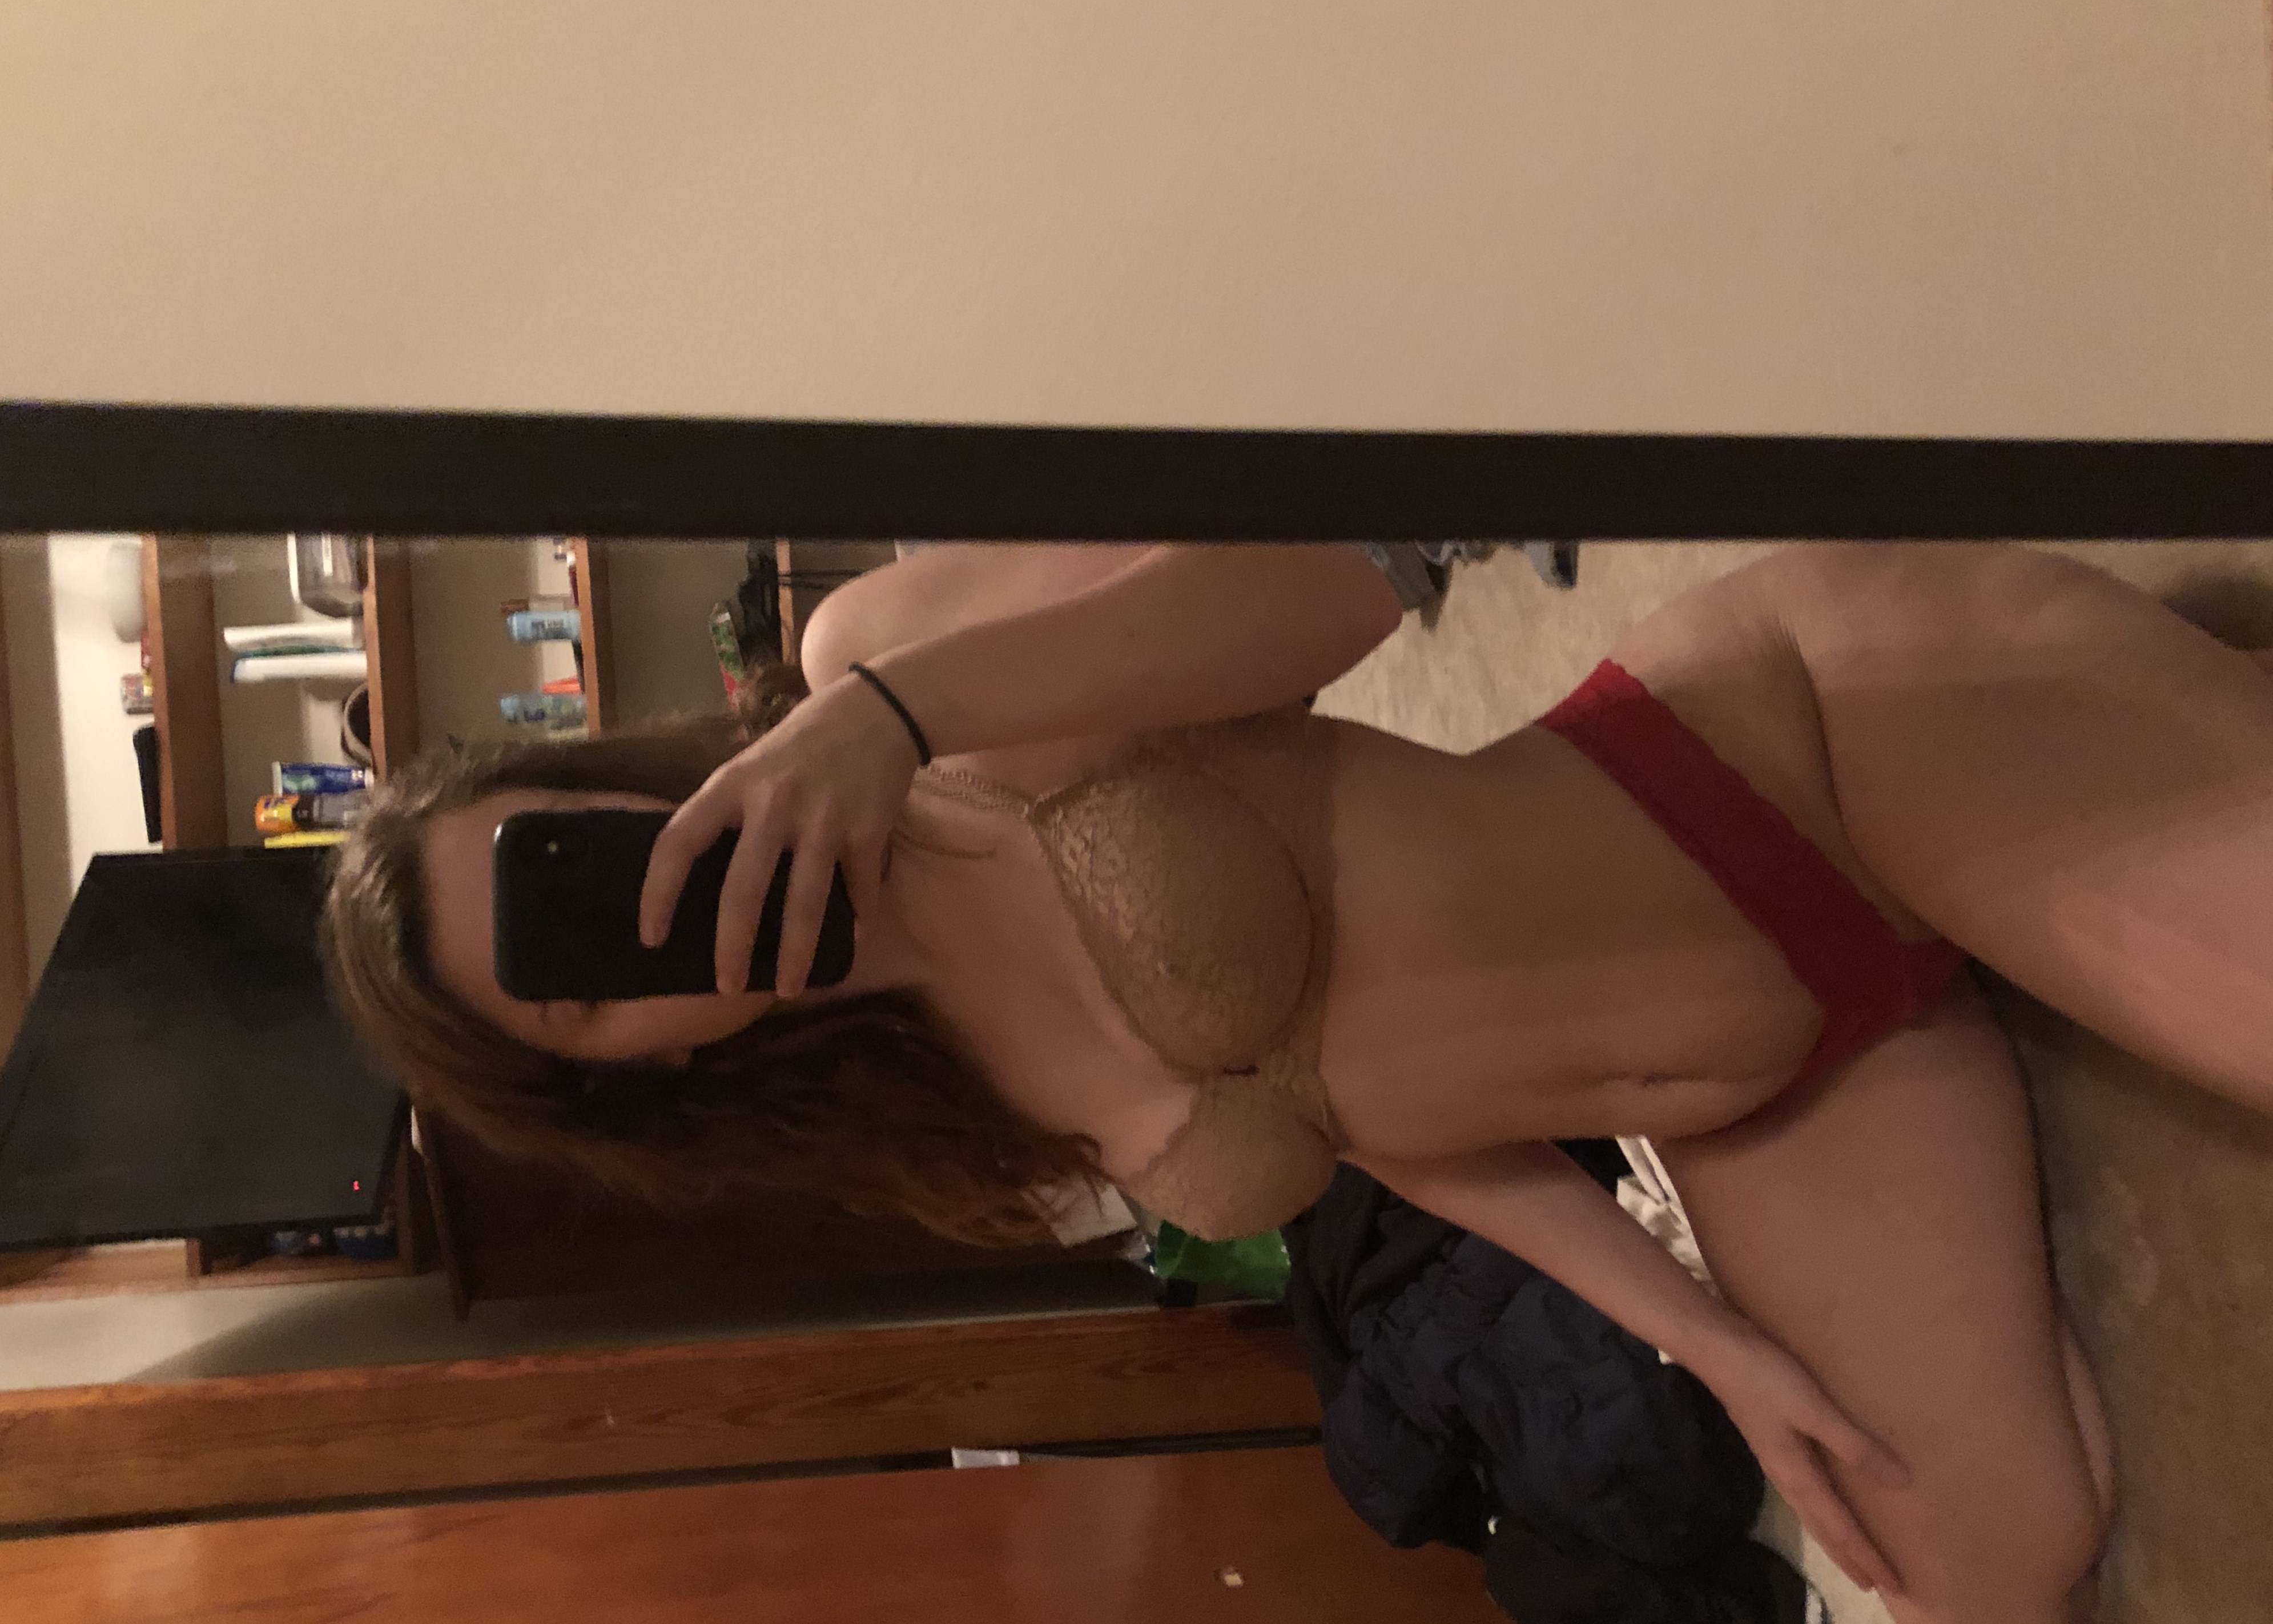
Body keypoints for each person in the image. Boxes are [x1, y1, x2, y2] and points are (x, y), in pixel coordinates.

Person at [325, 541, 2273, 1624]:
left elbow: (1349, 565)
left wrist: (900, 716)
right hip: (1789, 1084)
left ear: (610, 787)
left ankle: (2068, 825)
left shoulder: (884, 667)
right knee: (1976, 1559)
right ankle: (2045, 917)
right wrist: (1719, 1344)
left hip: (1807, 756)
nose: (635, 941)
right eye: (573, 998)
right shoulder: (934, 1100)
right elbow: (1381, 1129)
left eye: (570, 863)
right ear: (629, 1078)